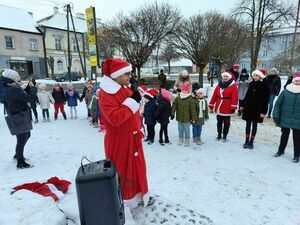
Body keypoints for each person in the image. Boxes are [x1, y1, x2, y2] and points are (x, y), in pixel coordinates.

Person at [99, 58, 154, 208]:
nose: (131, 76)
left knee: (138, 169)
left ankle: (141, 195)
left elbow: (134, 107)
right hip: (120, 142)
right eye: (127, 74)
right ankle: (126, 201)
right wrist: (132, 101)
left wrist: (137, 96)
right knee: (124, 172)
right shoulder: (106, 94)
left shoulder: (124, 87)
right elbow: (115, 119)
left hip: (132, 136)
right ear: (116, 76)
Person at [0, 69, 33, 169]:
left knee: (27, 135)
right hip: (18, 115)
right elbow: (29, 98)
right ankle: (20, 162)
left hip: (19, 114)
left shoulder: (11, 87)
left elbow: (22, 96)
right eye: (17, 76)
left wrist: (27, 87)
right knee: (21, 138)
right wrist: (32, 88)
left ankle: (17, 155)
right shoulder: (12, 89)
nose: (19, 78)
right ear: (11, 78)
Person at [273, 72, 300, 163]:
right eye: (296, 81)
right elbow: (277, 104)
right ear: (293, 81)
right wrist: (276, 115)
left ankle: (296, 155)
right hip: (285, 117)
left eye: (299, 81)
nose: (298, 82)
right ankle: (280, 151)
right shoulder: (285, 91)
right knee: (284, 136)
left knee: (297, 138)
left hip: (298, 120)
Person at [240, 70, 269, 149]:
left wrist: (263, 111)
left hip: (258, 109)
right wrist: (242, 105)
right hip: (249, 108)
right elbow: (247, 96)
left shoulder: (264, 86)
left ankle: (251, 141)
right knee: (248, 124)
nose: (255, 77)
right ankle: (246, 140)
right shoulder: (251, 84)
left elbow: (266, 100)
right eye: (254, 75)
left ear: (260, 76)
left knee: (255, 125)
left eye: (257, 75)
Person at [209, 71, 238, 142]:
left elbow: (235, 97)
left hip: (227, 106)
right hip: (219, 106)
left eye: (226, 76)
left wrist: (233, 107)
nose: (225, 78)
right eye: (224, 76)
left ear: (230, 77)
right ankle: (219, 134)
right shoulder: (219, 84)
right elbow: (215, 95)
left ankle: (225, 135)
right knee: (219, 122)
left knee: (226, 123)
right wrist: (211, 104)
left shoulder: (233, 86)